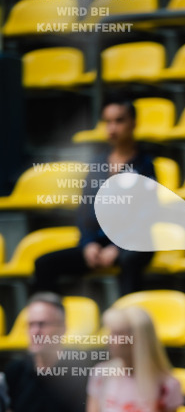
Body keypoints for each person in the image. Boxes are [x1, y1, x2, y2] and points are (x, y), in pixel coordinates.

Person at [33, 101, 156, 297]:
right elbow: (85, 211)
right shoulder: (97, 165)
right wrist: (88, 244)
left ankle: (127, 315)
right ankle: (49, 314)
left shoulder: (145, 165)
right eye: (107, 122)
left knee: (130, 259)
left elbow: (147, 215)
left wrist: (118, 247)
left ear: (133, 123)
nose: (112, 128)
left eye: (119, 121)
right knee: (44, 264)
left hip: (133, 244)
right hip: (99, 244)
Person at [85, 306, 183, 412]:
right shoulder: (100, 374)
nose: (108, 339)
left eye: (117, 334)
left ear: (137, 340)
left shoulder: (168, 386)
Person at [0, 293, 87, 412]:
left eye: (42, 324)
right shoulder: (14, 371)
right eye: (30, 325)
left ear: (62, 328)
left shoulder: (78, 374)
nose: (35, 331)